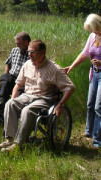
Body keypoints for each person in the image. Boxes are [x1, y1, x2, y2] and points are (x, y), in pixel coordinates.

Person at [0, 39, 75, 151]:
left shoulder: (54, 69)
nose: (29, 55)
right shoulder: (27, 65)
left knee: (27, 110)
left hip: (44, 99)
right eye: (28, 52)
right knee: (10, 104)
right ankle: (9, 139)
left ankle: (18, 144)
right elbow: (18, 85)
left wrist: (60, 104)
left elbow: (70, 87)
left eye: (33, 52)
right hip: (27, 95)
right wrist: (13, 98)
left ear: (43, 52)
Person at [64, 14, 101, 148]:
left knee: (99, 107)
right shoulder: (92, 37)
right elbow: (84, 54)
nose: (92, 32)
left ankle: (97, 139)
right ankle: (89, 131)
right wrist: (71, 67)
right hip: (94, 74)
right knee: (90, 104)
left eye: (94, 29)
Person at [0, 32, 31, 123]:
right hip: (11, 77)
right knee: (4, 79)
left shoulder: (32, 53)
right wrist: (6, 76)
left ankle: (3, 105)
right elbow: (8, 63)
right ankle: (0, 112)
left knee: (4, 86)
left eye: (19, 43)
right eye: (16, 43)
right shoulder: (14, 50)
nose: (17, 45)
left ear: (26, 42)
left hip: (23, 81)